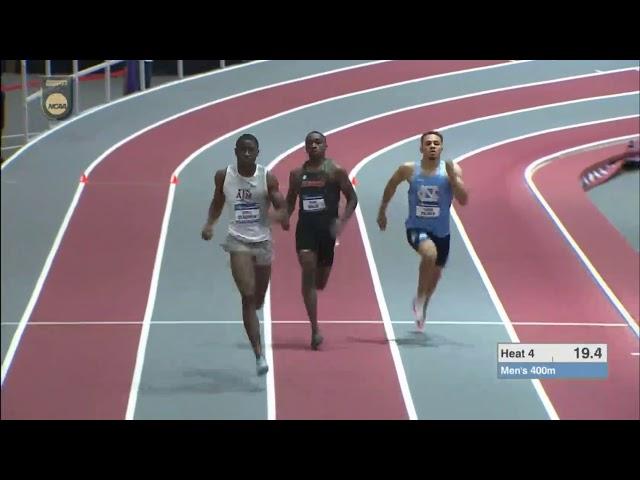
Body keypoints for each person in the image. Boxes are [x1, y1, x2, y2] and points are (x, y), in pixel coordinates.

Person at [201, 133, 288, 375]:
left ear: (257, 153)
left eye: (251, 150)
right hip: (237, 240)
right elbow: (217, 201)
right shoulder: (224, 176)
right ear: (236, 151)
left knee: (259, 298)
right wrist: (210, 224)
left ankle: (256, 310)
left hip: (262, 243)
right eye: (243, 149)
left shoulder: (267, 178)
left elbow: (282, 207)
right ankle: (259, 355)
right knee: (248, 298)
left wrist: (277, 216)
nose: (247, 153)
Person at [376, 130, 468, 332]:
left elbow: (464, 199)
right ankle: (419, 297)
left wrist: (453, 178)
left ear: (442, 148)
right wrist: (383, 210)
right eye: (428, 143)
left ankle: (423, 305)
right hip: (416, 227)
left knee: (434, 277)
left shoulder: (451, 170)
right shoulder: (409, 170)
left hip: (442, 232)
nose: (432, 146)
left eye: (436, 143)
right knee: (429, 254)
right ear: (421, 148)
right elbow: (391, 185)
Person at [285, 131, 358, 349]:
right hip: (306, 229)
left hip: (327, 231)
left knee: (320, 282)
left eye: (318, 142)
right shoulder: (297, 174)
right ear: (305, 148)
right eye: (310, 143)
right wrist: (286, 217)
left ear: (326, 146)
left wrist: (342, 221)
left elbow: (353, 198)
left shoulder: (336, 171)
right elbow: (290, 201)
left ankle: (314, 288)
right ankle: (315, 329)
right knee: (308, 268)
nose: (314, 145)